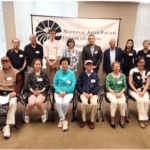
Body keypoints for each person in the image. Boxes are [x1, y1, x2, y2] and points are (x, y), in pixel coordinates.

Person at [0, 56, 22, 138]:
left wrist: (15, 92)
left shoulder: (16, 72)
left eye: (6, 62)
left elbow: (20, 83)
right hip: (0, 92)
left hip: (11, 93)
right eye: (3, 62)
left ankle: (7, 125)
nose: (4, 64)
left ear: (10, 62)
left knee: (12, 103)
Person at [53, 57, 76, 131]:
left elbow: (73, 85)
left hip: (68, 92)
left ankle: (61, 120)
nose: (64, 65)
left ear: (68, 65)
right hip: (58, 92)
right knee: (59, 103)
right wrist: (60, 91)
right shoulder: (57, 73)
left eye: (66, 64)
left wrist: (65, 92)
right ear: (60, 65)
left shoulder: (72, 73)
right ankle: (64, 120)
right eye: (63, 64)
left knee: (65, 103)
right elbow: (54, 84)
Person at [24, 59, 50, 124]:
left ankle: (43, 113)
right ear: (33, 65)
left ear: (41, 65)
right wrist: (33, 91)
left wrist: (41, 91)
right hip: (32, 92)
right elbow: (28, 84)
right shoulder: (30, 74)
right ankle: (26, 114)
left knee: (38, 102)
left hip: (42, 92)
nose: (37, 66)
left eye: (39, 64)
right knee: (31, 103)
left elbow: (47, 84)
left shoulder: (44, 74)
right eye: (36, 64)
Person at [76, 60, 99, 129]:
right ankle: (83, 119)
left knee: (94, 104)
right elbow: (78, 85)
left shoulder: (95, 75)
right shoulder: (81, 74)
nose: (89, 65)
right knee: (84, 103)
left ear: (92, 66)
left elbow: (97, 86)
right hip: (84, 93)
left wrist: (92, 93)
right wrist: (83, 92)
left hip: (93, 94)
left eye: (90, 64)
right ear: (84, 66)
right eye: (87, 64)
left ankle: (92, 120)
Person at [129, 56, 150, 129]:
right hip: (134, 90)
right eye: (139, 62)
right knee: (141, 100)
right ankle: (141, 119)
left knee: (147, 101)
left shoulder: (147, 71)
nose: (141, 64)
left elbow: (147, 83)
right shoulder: (132, 70)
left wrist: (143, 92)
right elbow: (130, 83)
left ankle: (145, 117)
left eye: (142, 62)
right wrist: (137, 92)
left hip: (144, 90)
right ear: (137, 63)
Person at [106, 61, 127, 129]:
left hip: (120, 92)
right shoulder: (109, 76)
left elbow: (125, 86)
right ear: (112, 68)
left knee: (122, 102)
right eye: (116, 66)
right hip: (111, 93)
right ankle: (112, 118)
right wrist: (114, 94)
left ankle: (122, 118)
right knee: (114, 102)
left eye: (118, 66)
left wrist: (120, 93)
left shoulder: (123, 75)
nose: (118, 68)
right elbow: (107, 86)